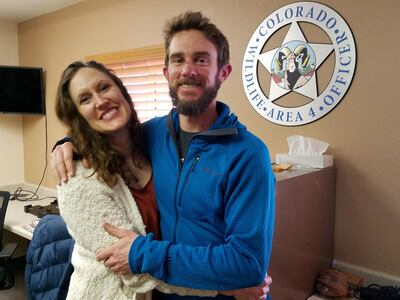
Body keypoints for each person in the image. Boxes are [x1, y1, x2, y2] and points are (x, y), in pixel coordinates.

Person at [52, 11, 275, 300]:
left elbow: (248, 266)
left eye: (201, 59)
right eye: (178, 59)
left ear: (223, 73)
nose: (188, 70)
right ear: (166, 72)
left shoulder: (248, 154)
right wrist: (68, 142)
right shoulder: (154, 134)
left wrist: (142, 253)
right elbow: (103, 130)